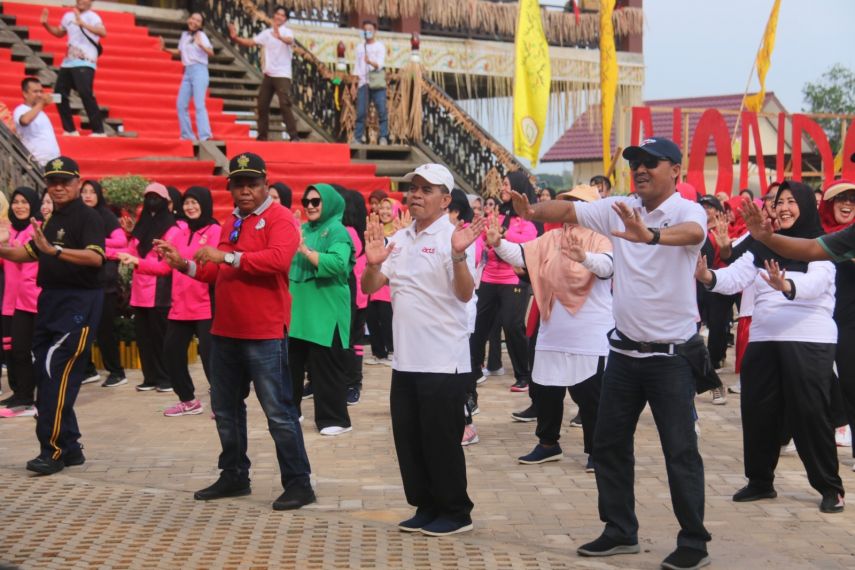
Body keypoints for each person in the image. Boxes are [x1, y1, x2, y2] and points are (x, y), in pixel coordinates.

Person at [511, 137, 711, 570]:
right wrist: (530, 212)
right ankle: (620, 530)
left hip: (671, 359)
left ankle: (693, 540)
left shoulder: (685, 212)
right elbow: (567, 210)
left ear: (676, 169)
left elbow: (694, 234)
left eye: (650, 163)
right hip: (622, 354)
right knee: (608, 444)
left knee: (679, 451)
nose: (639, 170)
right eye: (635, 163)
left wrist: (650, 235)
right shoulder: (619, 206)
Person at [155, 152, 314, 510]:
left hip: (265, 331)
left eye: (251, 184)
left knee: (278, 412)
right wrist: (183, 264)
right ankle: (234, 475)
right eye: (238, 184)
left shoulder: (281, 218)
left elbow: (277, 260)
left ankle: (299, 483)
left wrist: (226, 257)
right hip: (226, 329)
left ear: (265, 185)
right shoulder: (233, 222)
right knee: (226, 409)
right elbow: (214, 272)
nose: (244, 191)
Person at [696, 181, 844, 513]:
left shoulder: (821, 244)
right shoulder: (763, 245)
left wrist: (786, 283)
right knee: (758, 411)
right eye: (779, 202)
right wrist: (709, 278)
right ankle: (760, 481)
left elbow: (817, 283)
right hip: (764, 338)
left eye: (792, 201)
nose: (784, 208)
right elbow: (735, 276)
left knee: (810, 415)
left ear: (806, 205)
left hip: (809, 338)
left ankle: (830, 487)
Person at [361, 163, 483, 536]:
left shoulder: (456, 238)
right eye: (413, 187)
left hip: (444, 360)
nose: (415, 194)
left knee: (440, 441)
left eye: (426, 189)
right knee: (410, 439)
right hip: (407, 359)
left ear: (446, 199)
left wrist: (460, 256)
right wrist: (372, 262)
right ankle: (427, 505)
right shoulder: (399, 239)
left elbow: (464, 295)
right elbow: (370, 286)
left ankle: (455, 511)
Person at [489, 186, 613, 470]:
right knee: (545, 389)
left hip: (589, 332)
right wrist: (498, 243)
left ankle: (598, 450)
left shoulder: (601, 238)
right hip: (553, 327)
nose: (569, 209)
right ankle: (547, 443)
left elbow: (607, 267)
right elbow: (523, 255)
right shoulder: (552, 237)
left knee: (591, 397)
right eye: (567, 203)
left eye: (577, 204)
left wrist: (584, 257)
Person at [0, 156, 106, 474]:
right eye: (53, 181)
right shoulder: (50, 219)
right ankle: (70, 446)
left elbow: (95, 258)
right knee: (47, 375)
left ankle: (53, 450)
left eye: (65, 181)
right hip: (50, 303)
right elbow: (26, 253)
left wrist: (55, 251)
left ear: (77, 182)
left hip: (78, 304)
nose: (58, 187)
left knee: (53, 377)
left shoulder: (89, 218)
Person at [126, 186, 220, 416]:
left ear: (205, 204)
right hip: (180, 306)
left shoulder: (216, 230)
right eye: (187, 203)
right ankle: (188, 400)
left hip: (206, 305)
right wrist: (136, 262)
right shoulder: (179, 232)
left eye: (195, 202)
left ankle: (222, 400)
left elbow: (213, 265)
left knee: (211, 359)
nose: (190, 207)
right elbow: (163, 268)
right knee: (172, 353)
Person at [288, 184, 354, 434]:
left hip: (326, 312)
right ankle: (290, 411)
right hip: (297, 312)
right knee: (290, 367)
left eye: (317, 201)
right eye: (306, 202)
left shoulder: (338, 230)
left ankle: (334, 419)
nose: (310, 206)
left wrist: (305, 250)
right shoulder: (302, 229)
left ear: (329, 203)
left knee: (325, 368)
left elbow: (337, 263)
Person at [470, 171, 537, 394]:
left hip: (513, 279)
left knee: (512, 325)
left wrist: (504, 235)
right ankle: (473, 369)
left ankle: (524, 375)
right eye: (502, 186)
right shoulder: (495, 216)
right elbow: (482, 240)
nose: (503, 189)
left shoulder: (527, 218)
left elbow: (529, 241)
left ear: (518, 187)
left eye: (507, 185)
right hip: (490, 277)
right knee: (478, 325)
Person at [117, 183, 180, 392]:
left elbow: (165, 266)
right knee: (144, 337)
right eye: (148, 197)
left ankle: (166, 377)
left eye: (156, 197)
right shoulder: (141, 226)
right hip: (139, 292)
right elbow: (131, 251)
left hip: (160, 291)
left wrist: (136, 262)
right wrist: (128, 236)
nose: (152, 201)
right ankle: (150, 376)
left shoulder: (171, 229)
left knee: (160, 336)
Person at [0, 188, 43, 418]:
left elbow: (22, 254)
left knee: (25, 351)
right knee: (14, 350)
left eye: (24, 202)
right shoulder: (13, 230)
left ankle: (28, 398)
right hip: (12, 299)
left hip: (31, 299)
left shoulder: (34, 229)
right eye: (15, 202)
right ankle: (20, 393)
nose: (19, 206)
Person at [80, 180, 127, 387]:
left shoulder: (105, 215)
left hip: (104, 282)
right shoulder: (78, 216)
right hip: (82, 281)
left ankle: (116, 371)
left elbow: (121, 241)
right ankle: (88, 369)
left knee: (105, 330)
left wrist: (95, 243)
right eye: (84, 192)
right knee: (82, 329)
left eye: (92, 192)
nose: (88, 195)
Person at [228, 6, 299, 142]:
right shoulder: (266, 33)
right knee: (262, 104)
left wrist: (280, 37)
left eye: (282, 15)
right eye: (277, 14)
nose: (279, 17)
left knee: (285, 104)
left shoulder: (287, 31)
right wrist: (236, 38)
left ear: (285, 19)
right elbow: (251, 42)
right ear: (274, 16)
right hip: (269, 75)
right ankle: (262, 136)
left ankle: (294, 136)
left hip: (282, 75)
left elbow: (290, 41)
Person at [40, 0, 106, 137]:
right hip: (68, 62)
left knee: (85, 93)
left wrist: (83, 23)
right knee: (58, 93)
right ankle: (69, 129)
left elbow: (102, 32)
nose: (81, 1)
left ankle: (99, 130)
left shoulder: (92, 16)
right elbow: (59, 33)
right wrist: (46, 24)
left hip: (85, 61)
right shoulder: (67, 16)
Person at [160, 12, 214, 141]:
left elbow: (211, 52)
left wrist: (201, 44)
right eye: (193, 19)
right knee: (181, 104)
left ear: (200, 25)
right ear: (189, 19)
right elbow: (179, 51)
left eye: (198, 21)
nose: (194, 22)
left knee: (199, 104)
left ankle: (205, 136)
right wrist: (164, 48)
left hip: (199, 70)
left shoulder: (201, 35)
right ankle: (187, 135)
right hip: (187, 72)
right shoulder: (184, 35)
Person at [353, 20, 388, 145]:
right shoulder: (359, 47)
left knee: (381, 110)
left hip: (377, 82)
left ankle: (383, 136)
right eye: (365, 30)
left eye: (370, 29)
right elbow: (357, 66)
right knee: (361, 111)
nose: (367, 32)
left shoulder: (379, 46)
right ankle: (357, 137)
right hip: (363, 83)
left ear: (374, 31)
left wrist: (369, 62)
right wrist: (355, 83)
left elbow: (380, 64)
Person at [13, 77, 60, 165]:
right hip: (37, 161)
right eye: (35, 92)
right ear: (25, 94)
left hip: (53, 159)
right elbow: (24, 121)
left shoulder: (40, 112)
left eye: (41, 91)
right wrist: (41, 104)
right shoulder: (20, 109)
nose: (39, 95)